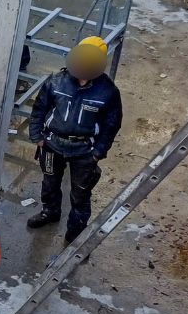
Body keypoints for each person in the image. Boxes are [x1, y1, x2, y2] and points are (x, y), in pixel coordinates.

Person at [27, 37, 124, 242]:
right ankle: (50, 212)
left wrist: (98, 152)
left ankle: (75, 234)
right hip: (53, 145)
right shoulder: (56, 81)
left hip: (84, 151)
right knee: (50, 183)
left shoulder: (108, 92)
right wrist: (37, 136)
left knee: (80, 194)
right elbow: (39, 109)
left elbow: (111, 125)